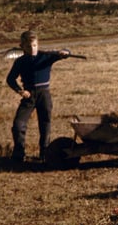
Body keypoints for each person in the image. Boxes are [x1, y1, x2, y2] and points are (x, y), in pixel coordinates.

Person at [6, 30, 70, 163]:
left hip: (44, 94)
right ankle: (19, 154)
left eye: (35, 45)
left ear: (38, 44)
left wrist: (65, 52)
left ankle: (45, 153)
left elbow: (65, 52)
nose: (32, 49)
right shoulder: (20, 62)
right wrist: (20, 91)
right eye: (29, 46)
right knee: (18, 125)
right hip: (28, 95)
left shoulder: (46, 56)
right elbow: (10, 79)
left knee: (45, 124)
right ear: (22, 46)